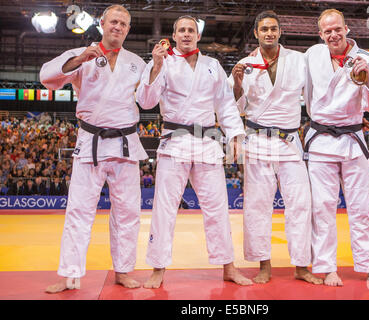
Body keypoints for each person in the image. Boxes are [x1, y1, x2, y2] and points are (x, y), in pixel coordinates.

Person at [136, 15, 252, 288]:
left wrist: (235, 135)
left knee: (217, 208)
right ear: (174, 36)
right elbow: (145, 100)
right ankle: (158, 267)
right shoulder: (162, 62)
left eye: (191, 30)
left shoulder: (212, 65)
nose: (186, 34)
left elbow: (225, 105)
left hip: (207, 142)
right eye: (181, 30)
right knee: (164, 208)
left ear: (198, 36)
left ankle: (228, 266)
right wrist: (155, 67)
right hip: (174, 141)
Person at [40, 5, 148, 293]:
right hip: (91, 144)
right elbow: (46, 78)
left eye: (124, 23)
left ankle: (123, 270)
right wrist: (78, 59)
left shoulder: (137, 62)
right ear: (102, 23)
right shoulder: (83, 54)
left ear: (128, 28)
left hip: (125, 145)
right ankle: (70, 275)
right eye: (114, 21)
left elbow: (150, 97)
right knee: (79, 210)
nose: (118, 27)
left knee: (127, 212)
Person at [228, 11, 321, 285]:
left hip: (290, 142)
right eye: (264, 29)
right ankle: (264, 265)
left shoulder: (298, 60)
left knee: (301, 204)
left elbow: (317, 92)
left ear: (280, 32)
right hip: (257, 141)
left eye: (274, 28)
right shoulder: (245, 64)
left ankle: (302, 266)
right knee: (257, 206)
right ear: (256, 33)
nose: (269, 33)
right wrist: (236, 83)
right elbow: (235, 107)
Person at [303, 9, 369, 286]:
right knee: (322, 207)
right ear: (320, 34)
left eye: (337, 29)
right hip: (320, 141)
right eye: (327, 31)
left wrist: (367, 78)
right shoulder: (311, 56)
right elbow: (299, 88)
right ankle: (327, 266)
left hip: (353, 140)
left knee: (362, 207)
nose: (333, 34)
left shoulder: (366, 58)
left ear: (347, 29)